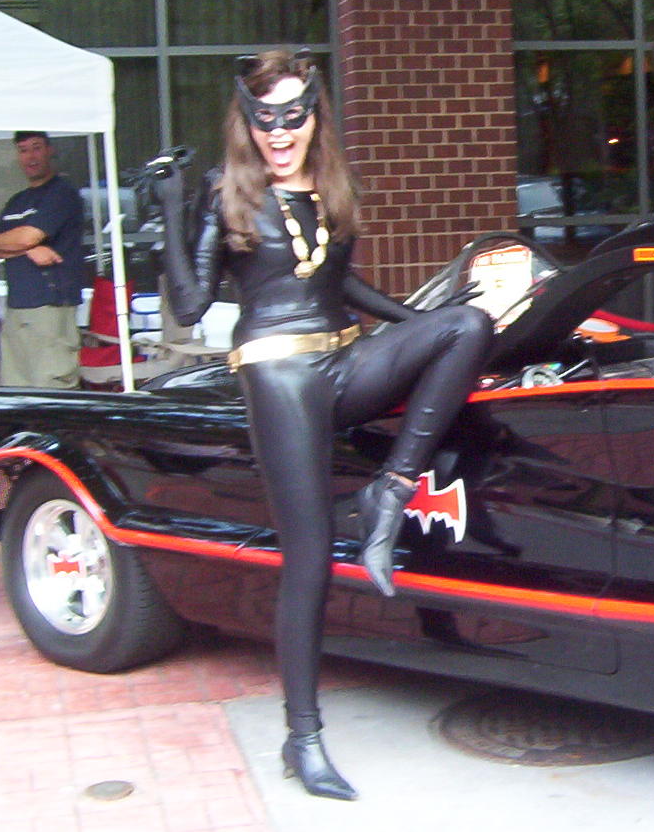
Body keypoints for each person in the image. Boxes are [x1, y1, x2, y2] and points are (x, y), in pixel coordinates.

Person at [152, 48, 492, 801]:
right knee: (307, 560)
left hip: (342, 361)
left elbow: (343, 283)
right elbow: (188, 303)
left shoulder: (332, 183)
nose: (279, 132)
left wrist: (421, 321)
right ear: (246, 120)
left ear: (315, 114)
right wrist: (172, 213)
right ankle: (301, 738)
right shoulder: (225, 192)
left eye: (293, 115)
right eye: (264, 117)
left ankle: (387, 492)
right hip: (278, 377)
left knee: (469, 326)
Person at [0, 131, 85, 388]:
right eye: (23, 150)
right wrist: (28, 249)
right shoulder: (16, 202)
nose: (30, 156)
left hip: (51, 305)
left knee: (52, 387)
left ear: (50, 150)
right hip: (16, 307)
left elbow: (28, 236)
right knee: (16, 389)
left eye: (36, 147)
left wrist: (22, 242)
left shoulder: (62, 193)